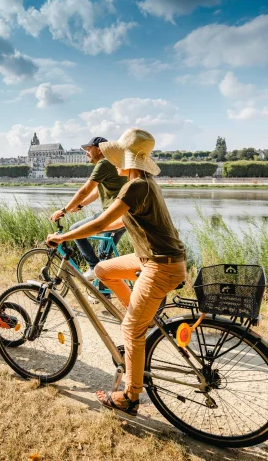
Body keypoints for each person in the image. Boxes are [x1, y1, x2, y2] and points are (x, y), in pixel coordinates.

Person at [46, 128, 186, 417]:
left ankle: (129, 397)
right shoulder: (143, 182)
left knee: (132, 331)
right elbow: (112, 222)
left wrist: (63, 238)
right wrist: (76, 231)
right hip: (151, 258)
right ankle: (133, 312)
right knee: (102, 270)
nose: (113, 162)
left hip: (160, 264)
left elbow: (99, 225)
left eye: (116, 157)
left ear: (127, 159)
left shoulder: (134, 186)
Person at [50, 136, 127, 281]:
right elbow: (98, 191)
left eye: (88, 149)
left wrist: (63, 210)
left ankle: (92, 268)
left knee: (75, 230)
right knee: (104, 259)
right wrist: (80, 205)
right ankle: (105, 295)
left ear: (99, 149)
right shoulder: (113, 162)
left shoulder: (104, 163)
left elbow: (84, 191)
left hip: (112, 214)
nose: (86, 153)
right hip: (123, 215)